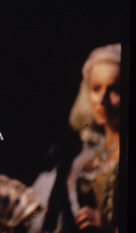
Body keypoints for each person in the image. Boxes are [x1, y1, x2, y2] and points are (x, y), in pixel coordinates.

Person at [31, 43, 121, 233]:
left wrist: (109, 227)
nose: (103, 100)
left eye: (115, 90)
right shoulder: (92, 155)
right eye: (96, 89)